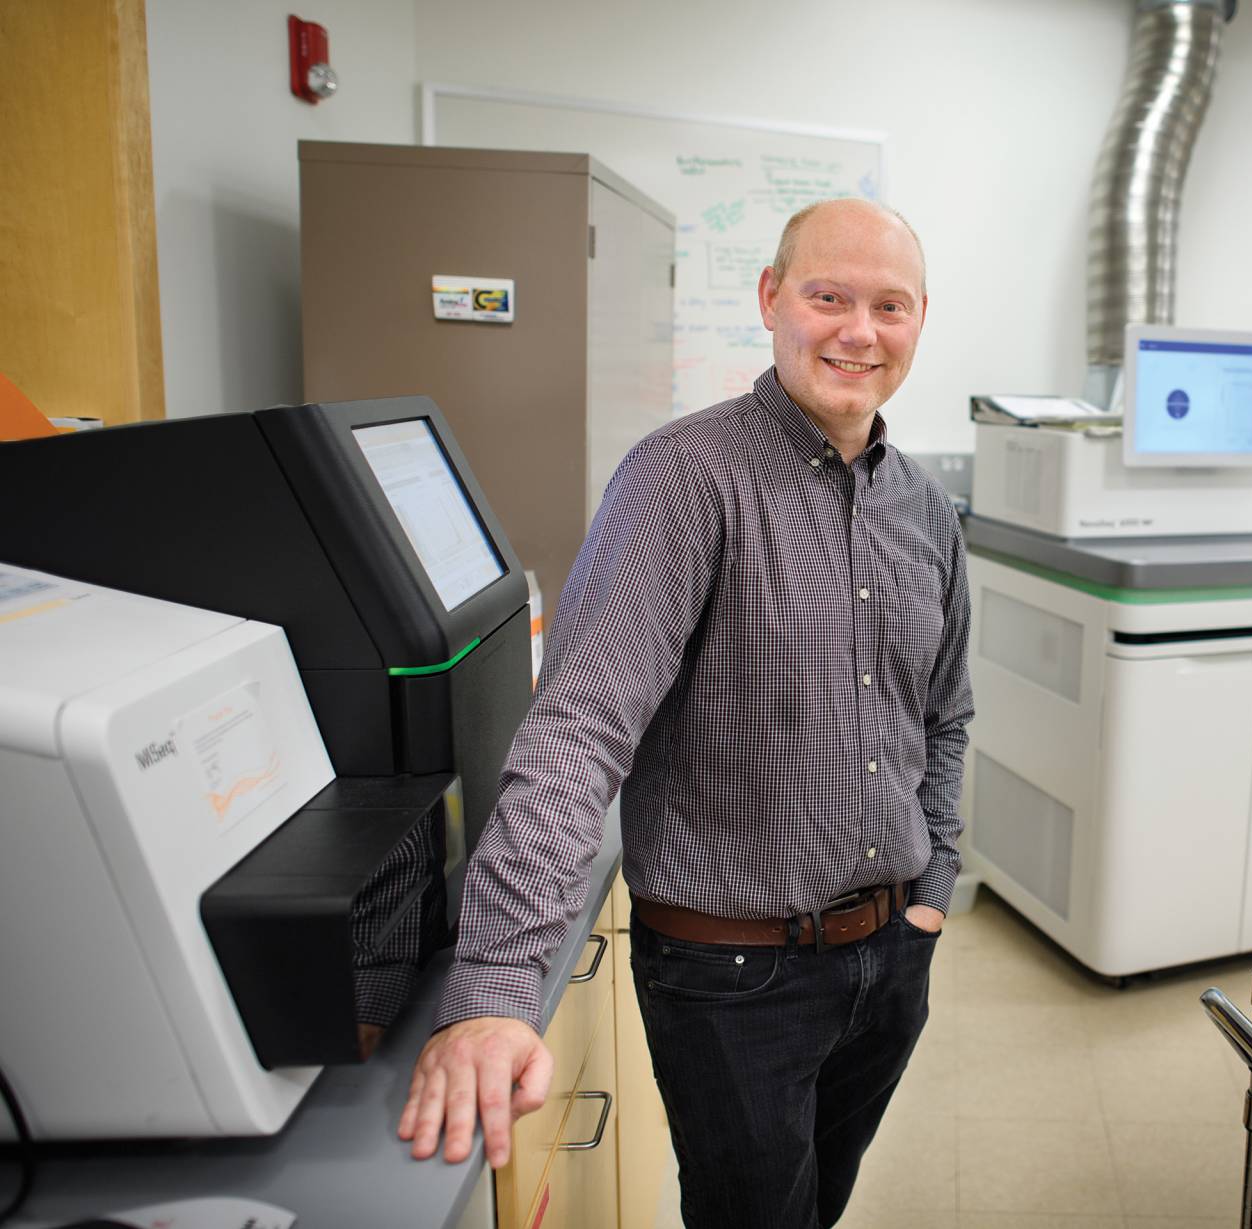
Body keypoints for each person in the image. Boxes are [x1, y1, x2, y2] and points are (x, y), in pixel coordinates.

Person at [397, 197, 973, 1229]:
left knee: (813, 1207)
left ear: (921, 319)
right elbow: (579, 730)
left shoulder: (925, 510)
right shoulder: (683, 479)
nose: (859, 330)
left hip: (890, 961)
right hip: (733, 978)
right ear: (771, 298)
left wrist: (931, 889)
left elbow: (944, 716)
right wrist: (493, 987)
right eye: (827, 295)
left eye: (890, 305)